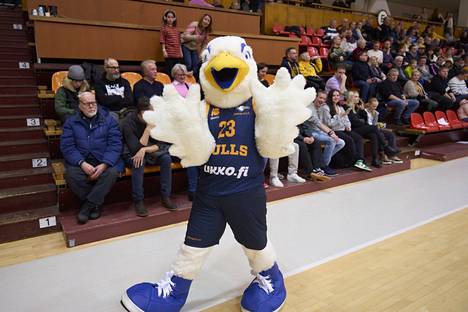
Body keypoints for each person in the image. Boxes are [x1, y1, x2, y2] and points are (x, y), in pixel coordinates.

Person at [60, 91, 122, 224]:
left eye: (93, 103)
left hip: (103, 159)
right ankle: (96, 204)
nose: (91, 106)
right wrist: (82, 163)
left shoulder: (109, 120)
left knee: (112, 172)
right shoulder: (71, 122)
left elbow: (115, 144)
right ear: (80, 105)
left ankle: (87, 206)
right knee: (71, 174)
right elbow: (67, 147)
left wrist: (105, 164)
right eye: (87, 104)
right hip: (81, 160)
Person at [121, 97, 177, 214]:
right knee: (138, 161)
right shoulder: (128, 122)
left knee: (166, 158)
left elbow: (164, 143)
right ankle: (138, 200)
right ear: (143, 113)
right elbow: (135, 149)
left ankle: (165, 196)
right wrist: (147, 130)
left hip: (150, 150)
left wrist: (146, 149)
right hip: (131, 153)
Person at [319, 89, 371, 171]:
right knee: (349, 140)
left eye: (337, 95)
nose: (336, 97)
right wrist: (340, 116)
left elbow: (346, 119)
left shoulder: (340, 107)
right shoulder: (326, 108)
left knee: (358, 138)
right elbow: (329, 124)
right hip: (333, 130)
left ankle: (360, 160)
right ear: (330, 97)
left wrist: (348, 125)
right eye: (334, 95)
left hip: (342, 129)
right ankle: (355, 161)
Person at [346, 91, 397, 167]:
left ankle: (374, 159)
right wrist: (365, 125)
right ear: (350, 98)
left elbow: (364, 119)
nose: (358, 98)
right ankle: (385, 147)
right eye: (355, 96)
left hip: (360, 128)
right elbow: (354, 122)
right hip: (353, 129)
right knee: (373, 127)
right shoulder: (347, 108)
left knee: (374, 135)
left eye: (358, 96)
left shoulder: (357, 108)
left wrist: (362, 110)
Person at [171, 63, 199, 201]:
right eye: (179, 75)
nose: (182, 77)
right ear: (174, 75)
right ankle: (193, 189)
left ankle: (201, 186)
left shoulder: (189, 86)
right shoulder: (170, 88)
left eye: (184, 74)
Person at [301, 90, 345, 176]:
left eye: (324, 99)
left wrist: (331, 133)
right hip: (310, 132)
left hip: (319, 131)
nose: (322, 100)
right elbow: (319, 124)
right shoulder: (309, 109)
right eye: (320, 97)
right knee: (331, 140)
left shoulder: (321, 107)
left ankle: (321, 163)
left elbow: (324, 124)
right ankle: (324, 166)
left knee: (341, 143)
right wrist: (331, 133)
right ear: (315, 97)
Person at [365, 98, 403, 164]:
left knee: (390, 134)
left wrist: (379, 124)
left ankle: (392, 155)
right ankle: (383, 155)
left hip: (375, 129)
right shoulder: (364, 112)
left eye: (376, 106)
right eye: (373, 106)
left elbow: (374, 124)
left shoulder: (376, 113)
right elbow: (366, 124)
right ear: (369, 104)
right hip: (367, 130)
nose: (375, 108)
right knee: (380, 135)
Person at [181, 14, 212, 79]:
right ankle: (184, 79)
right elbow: (185, 36)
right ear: (202, 19)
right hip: (186, 46)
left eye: (208, 21)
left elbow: (205, 44)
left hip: (194, 48)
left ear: (209, 23)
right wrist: (195, 37)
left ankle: (192, 80)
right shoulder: (195, 25)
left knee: (196, 65)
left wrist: (201, 53)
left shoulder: (206, 31)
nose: (206, 21)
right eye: (205, 19)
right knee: (188, 65)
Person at [160, 9, 183, 76]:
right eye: (168, 17)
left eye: (172, 17)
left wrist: (181, 52)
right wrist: (164, 50)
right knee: (169, 70)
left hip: (177, 53)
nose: (170, 19)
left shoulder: (176, 29)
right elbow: (162, 40)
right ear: (165, 18)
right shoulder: (164, 28)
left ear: (174, 19)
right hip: (169, 53)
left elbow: (179, 41)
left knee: (176, 70)